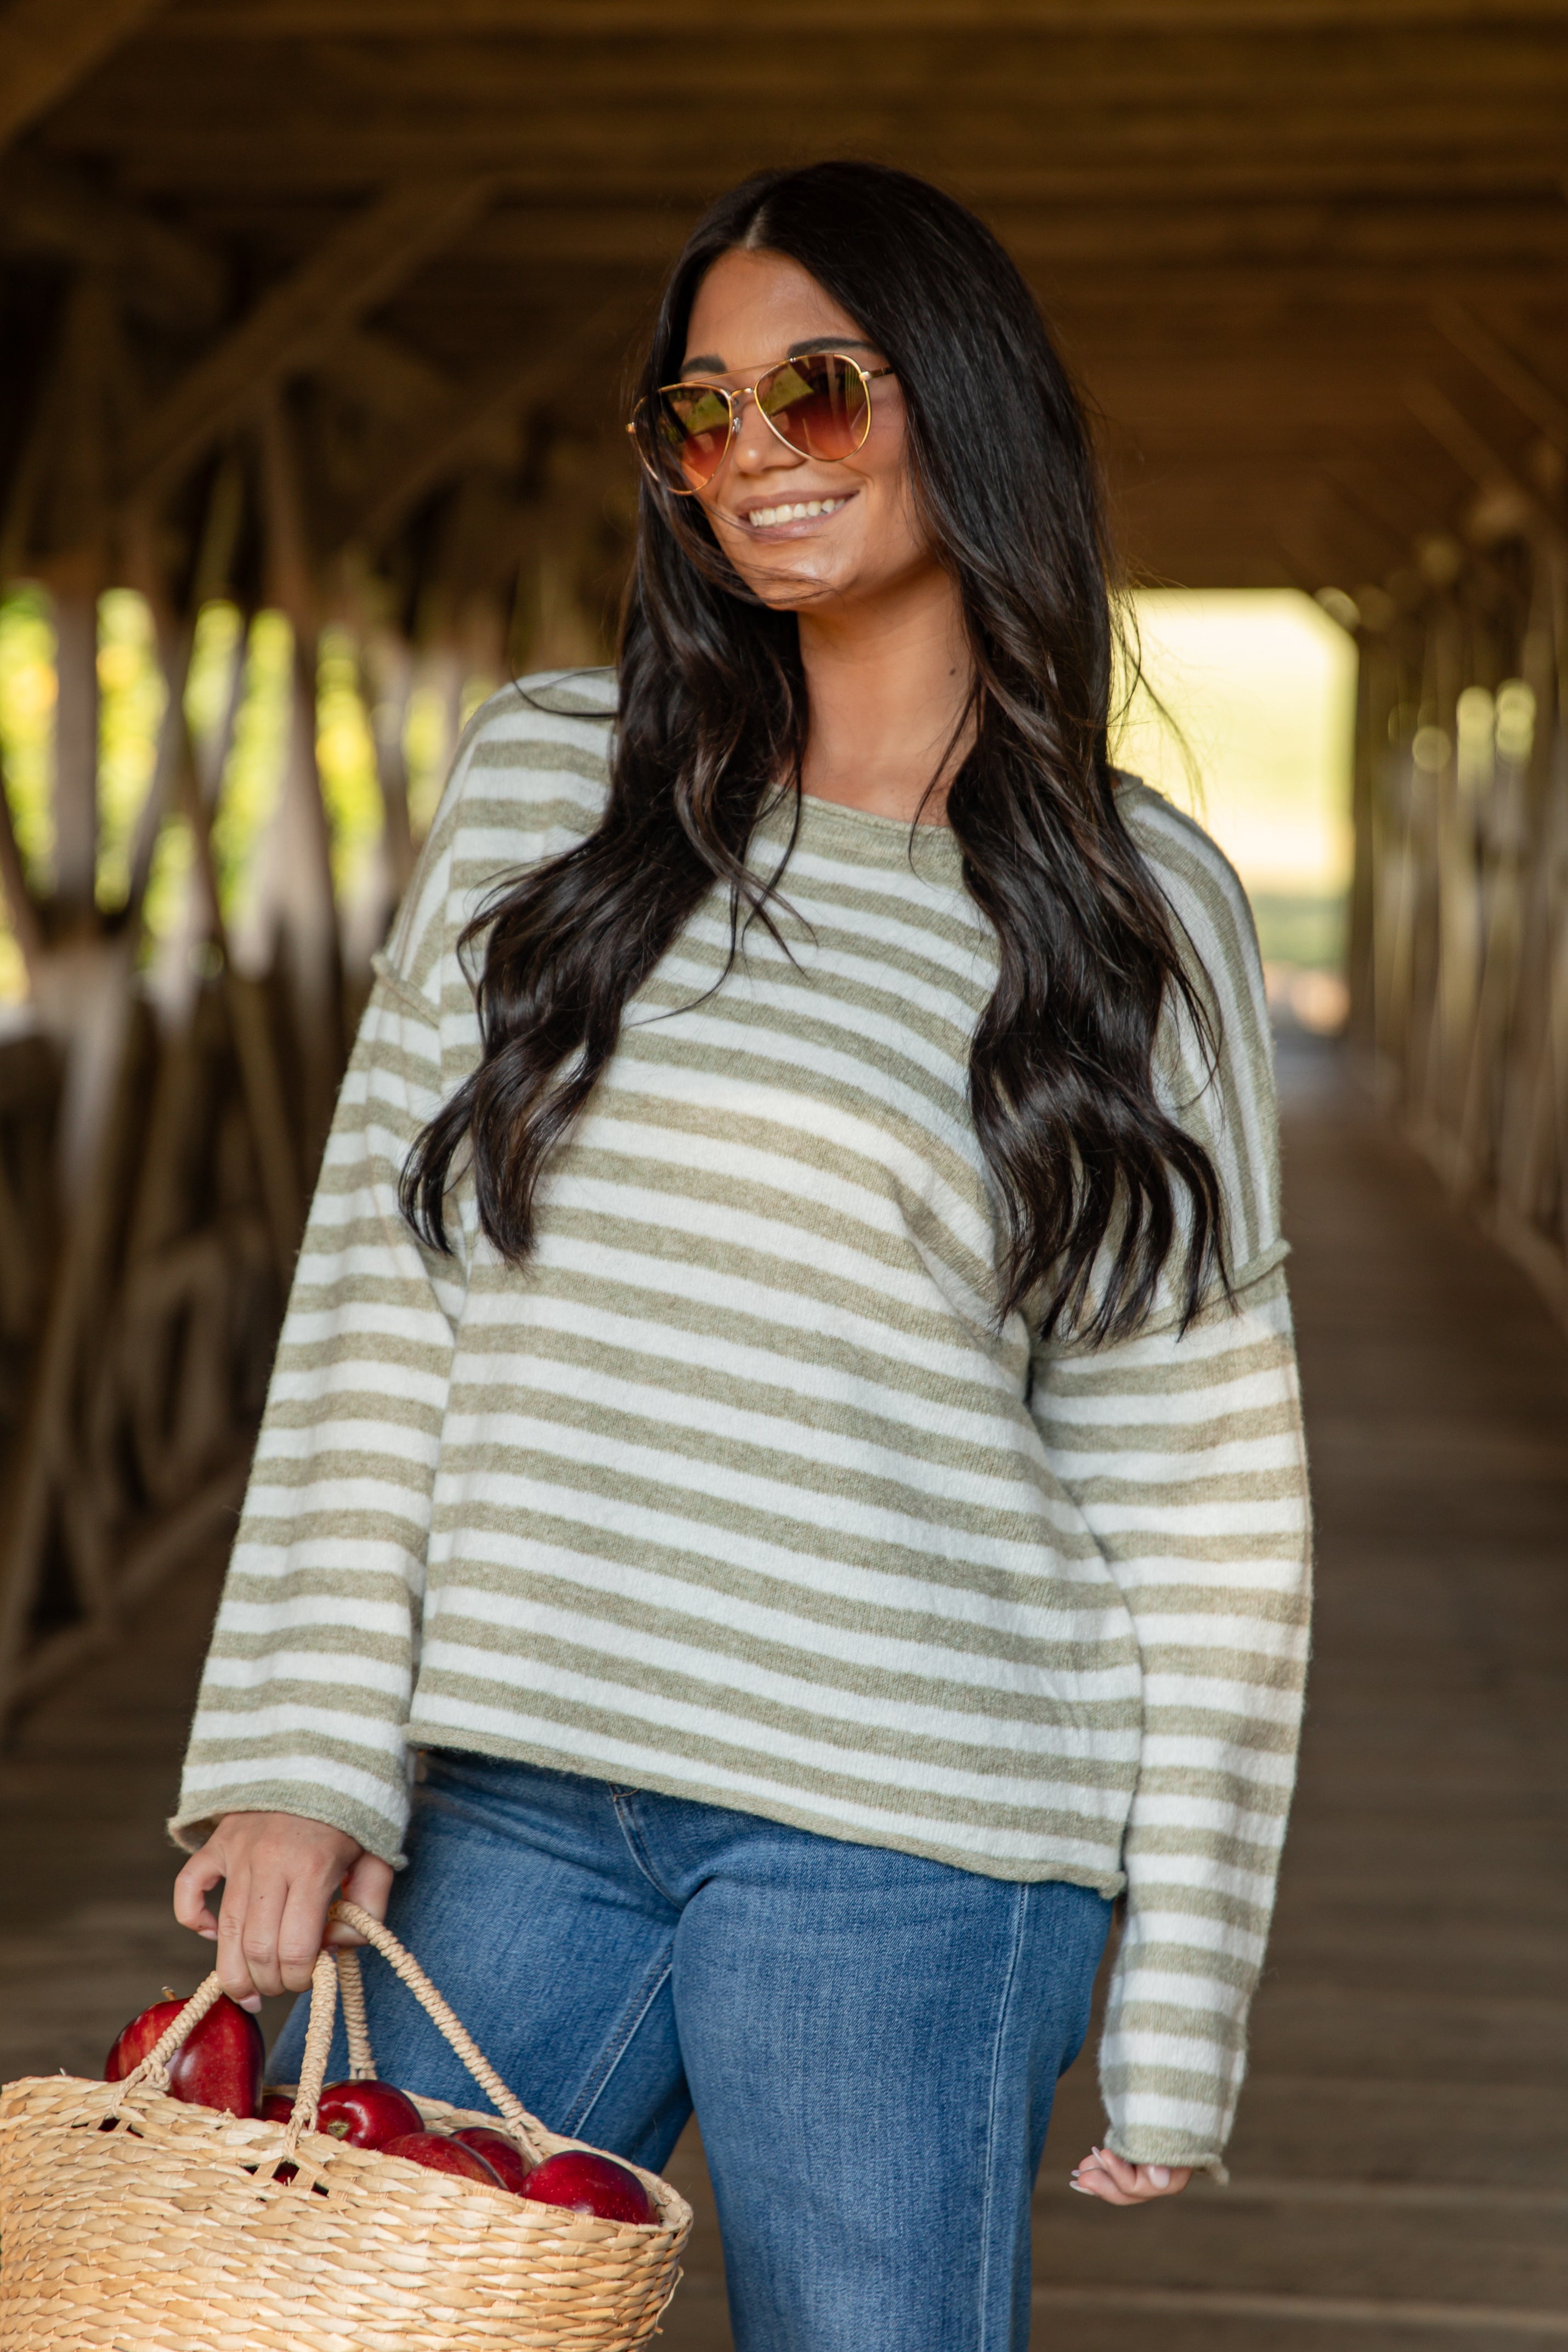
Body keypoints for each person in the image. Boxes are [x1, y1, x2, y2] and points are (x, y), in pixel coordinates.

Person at [171, 159, 1311, 2352]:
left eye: (814, 389)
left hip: (920, 1837)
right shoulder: (543, 789)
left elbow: (1202, 1498)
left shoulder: (1144, 908)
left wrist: (1182, 2000)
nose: (752, 455)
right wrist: (303, 1739)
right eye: (696, 413)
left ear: (961, 403)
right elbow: (383, 1294)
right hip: (512, 1789)